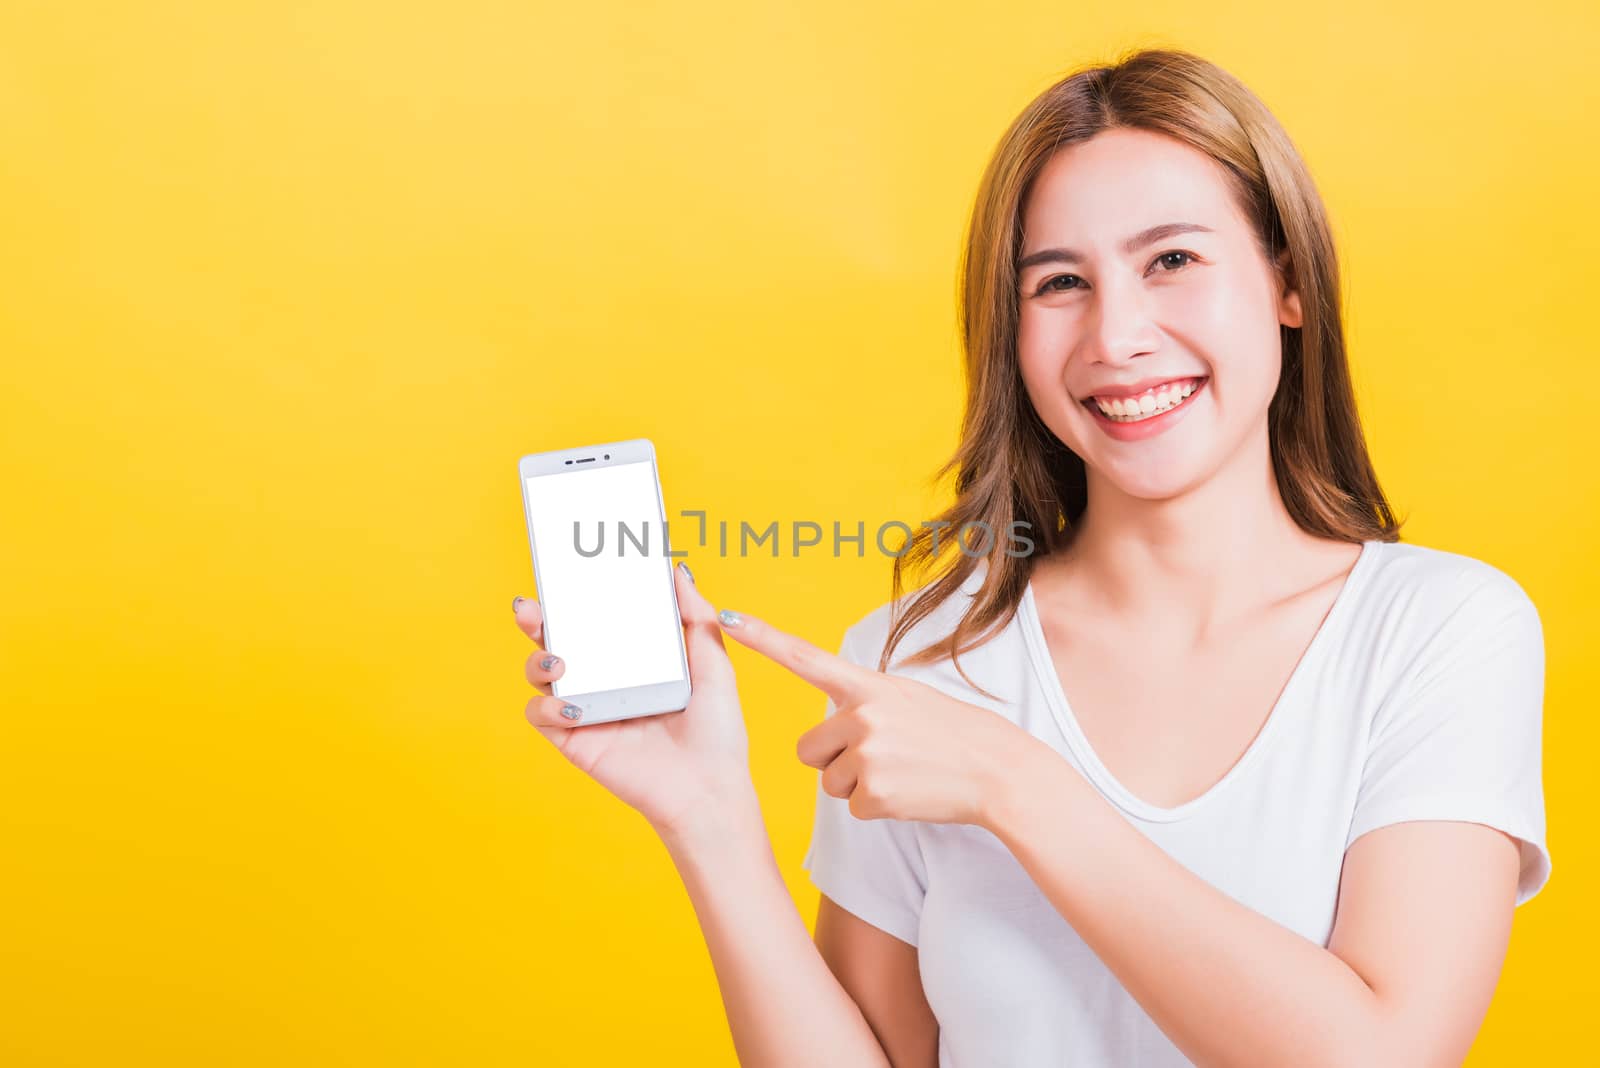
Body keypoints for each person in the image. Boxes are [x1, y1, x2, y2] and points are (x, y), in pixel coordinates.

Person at [512, 47, 1550, 1067]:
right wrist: (712, 822)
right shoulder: (918, 659)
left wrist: (1015, 785)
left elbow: (1378, 1055)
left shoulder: (1438, 629)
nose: (1117, 335)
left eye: (1173, 261)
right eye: (1058, 283)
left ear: (1287, 283)